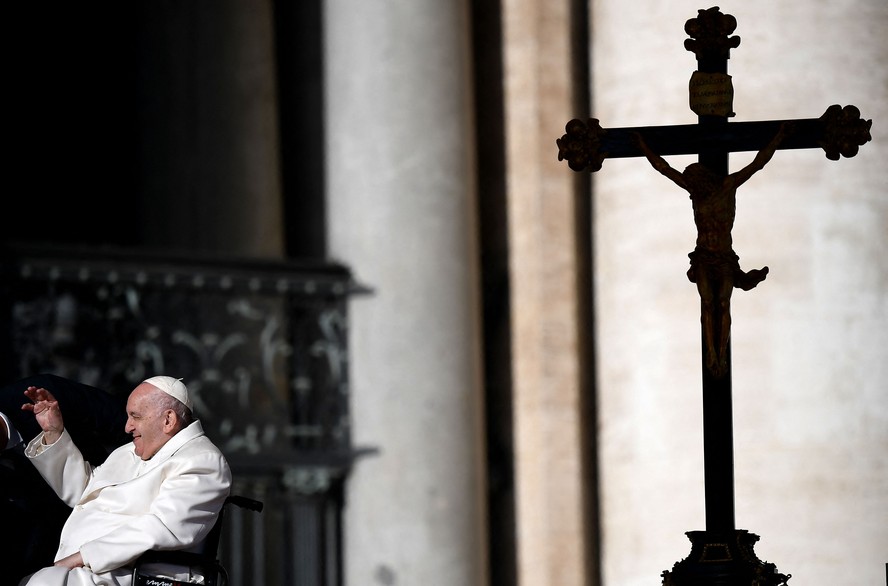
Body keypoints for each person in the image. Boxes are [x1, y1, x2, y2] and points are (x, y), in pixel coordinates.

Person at [1, 375, 231, 586]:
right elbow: (85, 492)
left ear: (168, 420)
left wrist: (84, 556)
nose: (127, 426)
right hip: (101, 570)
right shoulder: (128, 451)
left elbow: (162, 527)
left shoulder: (202, 460)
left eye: (135, 416)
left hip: (144, 573)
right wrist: (54, 434)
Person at [633, 122, 792, 377]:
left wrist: (779, 137)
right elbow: (664, 168)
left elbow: (757, 163)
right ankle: (712, 355)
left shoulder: (727, 186)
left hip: (725, 258)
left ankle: (721, 352)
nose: (690, 190)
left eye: (693, 182)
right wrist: (642, 146)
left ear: (702, 178)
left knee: (723, 302)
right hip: (704, 257)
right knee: (707, 303)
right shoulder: (696, 193)